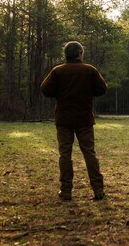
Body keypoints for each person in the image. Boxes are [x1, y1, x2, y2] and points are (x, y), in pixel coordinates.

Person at [40, 41, 108, 201]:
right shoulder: (89, 70)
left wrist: (60, 93)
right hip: (84, 118)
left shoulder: (58, 71)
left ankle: (66, 191)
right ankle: (98, 190)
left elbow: (45, 89)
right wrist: (87, 91)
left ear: (66, 55)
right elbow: (102, 89)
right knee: (90, 153)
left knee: (65, 155)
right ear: (80, 54)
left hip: (63, 119)